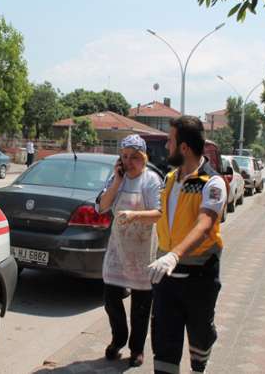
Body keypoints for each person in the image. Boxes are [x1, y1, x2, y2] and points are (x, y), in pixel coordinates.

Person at [147, 116, 227, 374]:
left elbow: (205, 223)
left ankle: (201, 353)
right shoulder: (170, 179)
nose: (166, 146)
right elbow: (166, 216)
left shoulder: (212, 183)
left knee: (199, 338)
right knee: (164, 343)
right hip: (167, 278)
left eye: (170, 141)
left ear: (184, 148)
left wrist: (175, 254)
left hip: (199, 277)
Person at [97, 134, 162, 367]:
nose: (128, 161)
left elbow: (158, 213)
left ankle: (137, 349)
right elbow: (102, 206)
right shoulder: (116, 178)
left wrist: (135, 215)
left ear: (143, 158)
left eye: (134, 157)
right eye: (124, 157)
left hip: (143, 251)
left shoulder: (151, 180)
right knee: (110, 298)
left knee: (141, 306)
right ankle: (118, 338)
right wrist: (116, 181)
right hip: (118, 249)